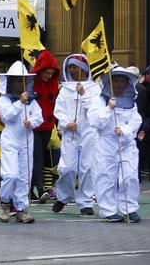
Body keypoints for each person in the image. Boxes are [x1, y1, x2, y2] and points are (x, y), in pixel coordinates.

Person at [88, 67, 142, 222]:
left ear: (127, 83)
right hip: (106, 144)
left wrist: (124, 130)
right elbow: (94, 121)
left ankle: (129, 209)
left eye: (122, 81)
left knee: (130, 177)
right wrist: (108, 108)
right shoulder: (100, 100)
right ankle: (108, 210)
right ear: (110, 83)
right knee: (106, 177)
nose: (119, 84)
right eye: (116, 81)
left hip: (126, 144)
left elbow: (136, 120)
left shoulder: (131, 101)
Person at [51, 54, 100, 216]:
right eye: (70, 67)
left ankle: (85, 202)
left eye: (75, 67)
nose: (72, 70)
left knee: (87, 168)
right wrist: (65, 123)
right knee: (67, 168)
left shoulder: (95, 88)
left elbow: (95, 111)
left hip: (89, 133)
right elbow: (58, 110)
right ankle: (63, 197)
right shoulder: (65, 89)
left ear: (84, 69)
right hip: (70, 134)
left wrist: (83, 93)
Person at [0, 61, 43, 224]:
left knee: (24, 177)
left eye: (23, 80)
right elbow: (7, 116)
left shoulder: (32, 101)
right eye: (17, 80)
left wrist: (32, 122)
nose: (20, 83)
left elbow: (39, 117)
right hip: (10, 140)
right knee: (10, 174)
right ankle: (4, 203)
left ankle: (22, 209)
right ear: (10, 81)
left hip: (27, 140)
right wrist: (20, 103)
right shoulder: (4, 100)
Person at [30, 50, 60, 203]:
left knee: (39, 156)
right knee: (37, 157)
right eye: (47, 72)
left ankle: (32, 189)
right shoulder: (29, 81)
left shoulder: (54, 84)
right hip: (33, 126)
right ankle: (40, 188)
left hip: (47, 125)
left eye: (51, 73)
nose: (49, 75)